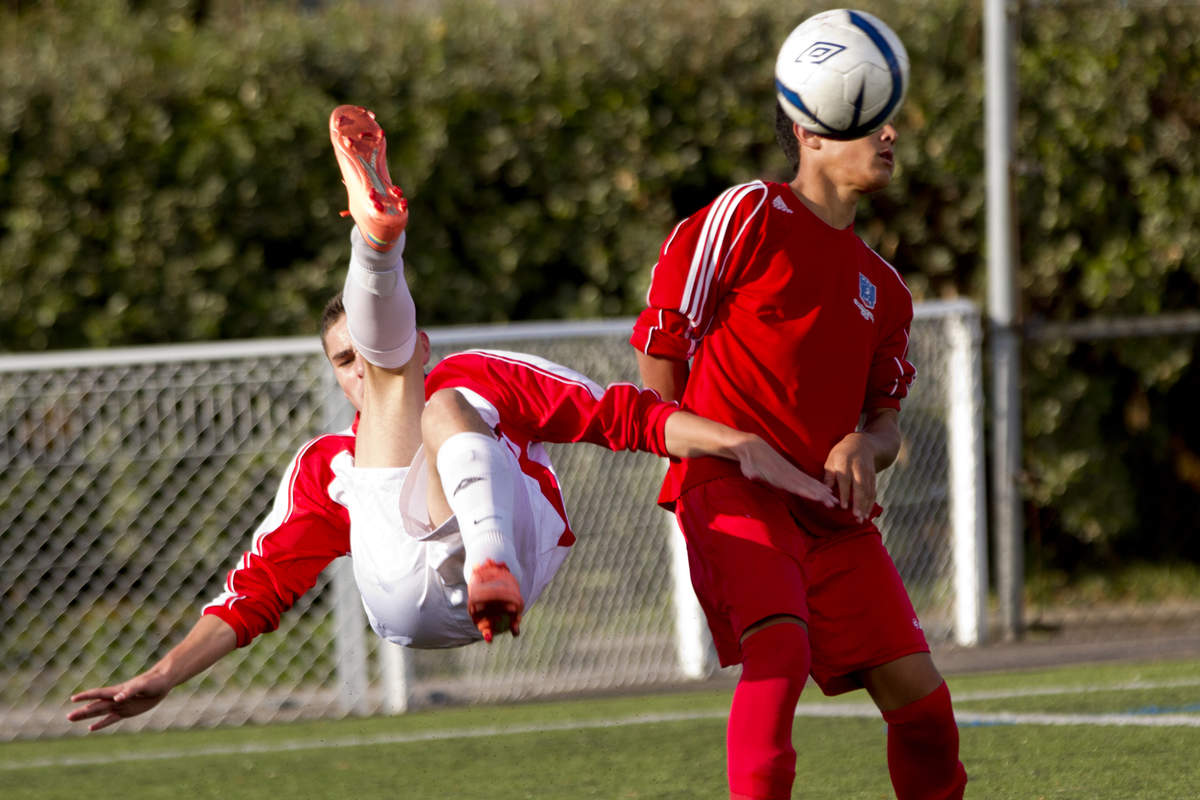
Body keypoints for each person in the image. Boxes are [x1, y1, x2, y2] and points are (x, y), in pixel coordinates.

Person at [66, 105, 836, 733]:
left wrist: (737, 442)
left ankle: (376, 252)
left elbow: (624, 417)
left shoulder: (480, 376)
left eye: (367, 354)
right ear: (338, 375)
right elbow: (256, 590)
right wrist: (160, 678)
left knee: (443, 401)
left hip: (510, 544)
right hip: (401, 594)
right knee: (414, 410)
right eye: (345, 363)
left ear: (419, 341)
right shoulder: (325, 467)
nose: (360, 372)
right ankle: (375, 248)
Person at [629, 40, 969, 800]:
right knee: (778, 653)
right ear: (810, 132)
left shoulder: (886, 288)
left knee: (925, 711)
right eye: (868, 120)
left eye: (890, 122)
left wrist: (862, 442)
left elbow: (887, 426)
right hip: (732, 489)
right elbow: (661, 347)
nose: (889, 135)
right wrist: (692, 448)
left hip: (830, 515)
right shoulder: (747, 214)